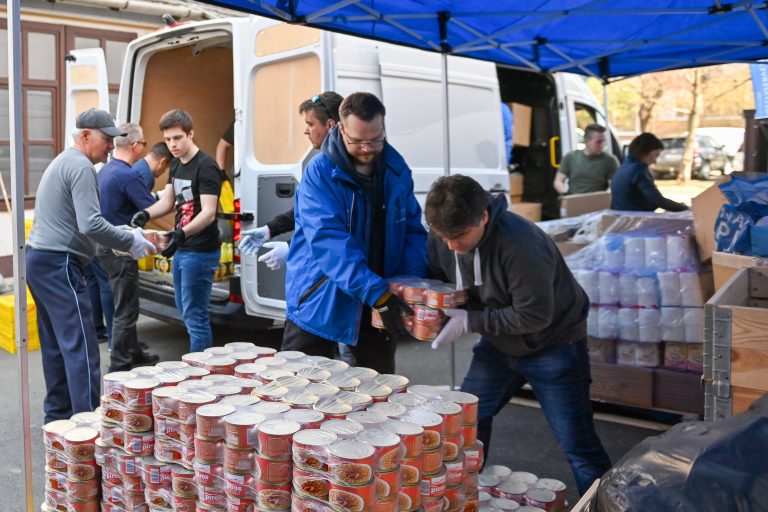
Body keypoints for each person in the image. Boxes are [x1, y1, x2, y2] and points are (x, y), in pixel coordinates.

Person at [425, 174, 611, 495]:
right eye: (444, 238)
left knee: (578, 445)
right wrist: (432, 306)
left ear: (483, 217)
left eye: (459, 237)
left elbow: (534, 315)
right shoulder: (444, 236)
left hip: (554, 343)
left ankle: (604, 504)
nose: (452, 246)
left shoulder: (521, 245)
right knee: (466, 424)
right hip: (498, 345)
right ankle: (465, 497)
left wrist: (471, 321)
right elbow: (437, 275)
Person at [281, 92, 428, 373]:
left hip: (377, 300)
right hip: (321, 297)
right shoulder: (319, 173)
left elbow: (411, 230)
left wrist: (409, 282)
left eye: (374, 140)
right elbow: (329, 240)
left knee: (379, 391)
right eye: (357, 141)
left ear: (383, 129)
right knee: (298, 388)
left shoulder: (397, 171)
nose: (366, 148)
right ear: (339, 128)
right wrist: (376, 292)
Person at [26, 108, 156, 423]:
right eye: (106, 138)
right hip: (59, 264)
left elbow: (80, 225)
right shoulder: (82, 166)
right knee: (82, 348)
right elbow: (91, 224)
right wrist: (130, 241)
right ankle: (86, 426)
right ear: (86, 135)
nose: (111, 145)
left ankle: (57, 420)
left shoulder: (63, 161)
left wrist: (126, 237)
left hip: (40, 260)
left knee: (58, 347)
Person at [131, 109, 222, 352]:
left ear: (191, 134)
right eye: (168, 139)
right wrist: (146, 214)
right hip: (183, 248)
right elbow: (168, 201)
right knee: (185, 310)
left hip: (201, 251)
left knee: (195, 316)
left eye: (177, 138)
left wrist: (180, 233)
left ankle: (200, 375)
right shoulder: (177, 166)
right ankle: (199, 368)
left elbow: (209, 212)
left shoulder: (206, 166)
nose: (173, 144)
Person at [239, 91, 344, 270]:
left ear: (330, 125)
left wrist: (290, 246)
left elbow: (328, 226)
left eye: (310, 124)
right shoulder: (324, 162)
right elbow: (306, 209)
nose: (305, 130)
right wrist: (270, 229)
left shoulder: (338, 169)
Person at [97, 122, 161, 372]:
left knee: (122, 302)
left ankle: (132, 351)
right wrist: (167, 198)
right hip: (120, 249)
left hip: (103, 246)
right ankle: (120, 366)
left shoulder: (105, 170)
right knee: (126, 308)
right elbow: (150, 209)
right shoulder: (128, 174)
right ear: (135, 146)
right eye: (143, 143)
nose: (143, 148)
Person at [611, 133, 688, 212]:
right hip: (635, 217)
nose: (655, 161)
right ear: (645, 151)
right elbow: (657, 200)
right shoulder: (638, 170)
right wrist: (684, 208)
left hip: (620, 215)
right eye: (655, 155)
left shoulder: (624, 167)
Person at [553, 123, 619, 195]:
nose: (602, 145)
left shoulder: (610, 160)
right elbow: (558, 181)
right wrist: (565, 195)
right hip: (574, 200)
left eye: (603, 141)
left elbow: (614, 185)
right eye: (598, 142)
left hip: (598, 201)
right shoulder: (570, 157)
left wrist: (607, 195)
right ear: (586, 141)